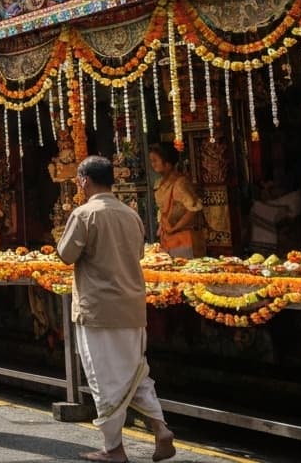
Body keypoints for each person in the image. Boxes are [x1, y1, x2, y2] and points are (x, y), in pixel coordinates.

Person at [58, 157, 176, 463]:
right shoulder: (130, 214)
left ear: (84, 181)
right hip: (132, 307)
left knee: (104, 378)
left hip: (98, 309)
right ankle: (160, 427)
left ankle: (114, 448)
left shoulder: (84, 214)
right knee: (136, 373)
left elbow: (66, 255)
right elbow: (138, 253)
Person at [150, 143, 204, 258]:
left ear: (167, 163)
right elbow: (162, 211)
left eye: (155, 160)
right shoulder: (159, 183)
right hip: (167, 239)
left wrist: (175, 228)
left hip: (183, 238)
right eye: (151, 161)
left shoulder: (180, 182)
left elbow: (193, 210)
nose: (153, 164)